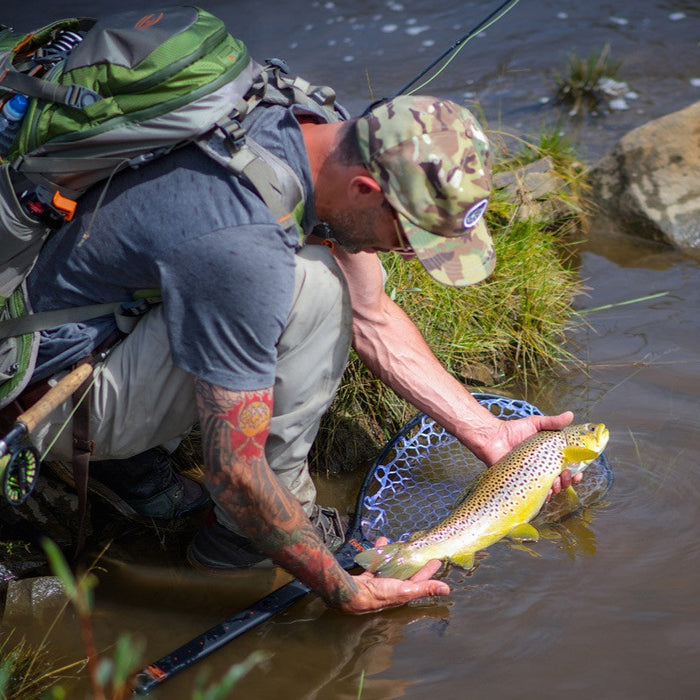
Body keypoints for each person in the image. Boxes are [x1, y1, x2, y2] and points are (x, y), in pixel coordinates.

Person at [17, 93, 576, 614]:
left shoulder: (300, 119)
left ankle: (134, 466)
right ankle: (238, 547)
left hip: (79, 313)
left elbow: (372, 313)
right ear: (365, 188)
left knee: (331, 276)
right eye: (410, 237)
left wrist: (487, 432)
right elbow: (236, 472)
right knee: (313, 287)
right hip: (42, 398)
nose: (407, 255)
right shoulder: (244, 244)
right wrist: (343, 588)